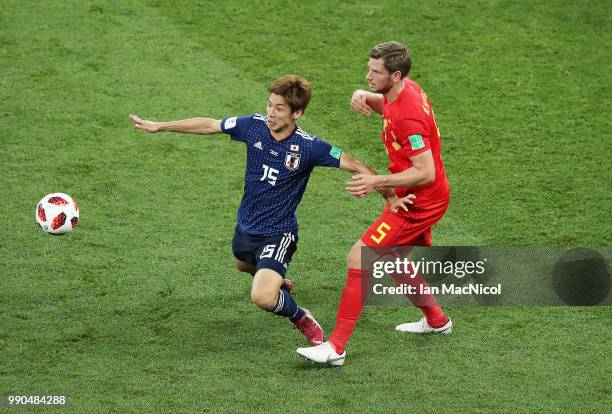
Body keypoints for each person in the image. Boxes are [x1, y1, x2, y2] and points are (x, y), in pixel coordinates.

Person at [129, 75, 413, 349]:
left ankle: (302, 317)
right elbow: (209, 125)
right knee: (242, 264)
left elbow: (357, 165)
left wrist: (388, 196)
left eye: (279, 108)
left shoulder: (309, 147)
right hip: (246, 227)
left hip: (279, 233)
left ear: (297, 113)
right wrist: (161, 126)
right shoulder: (252, 126)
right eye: (269, 105)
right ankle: (274, 276)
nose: (271, 113)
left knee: (263, 297)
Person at [297, 41, 452, 366]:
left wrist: (376, 181)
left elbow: (425, 171)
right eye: (369, 68)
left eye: (375, 72)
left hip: (416, 201)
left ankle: (335, 348)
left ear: (395, 75)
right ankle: (437, 320)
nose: (368, 75)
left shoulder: (409, 117)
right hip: (422, 195)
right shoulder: (404, 90)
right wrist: (366, 97)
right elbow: (390, 107)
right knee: (393, 259)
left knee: (360, 257)